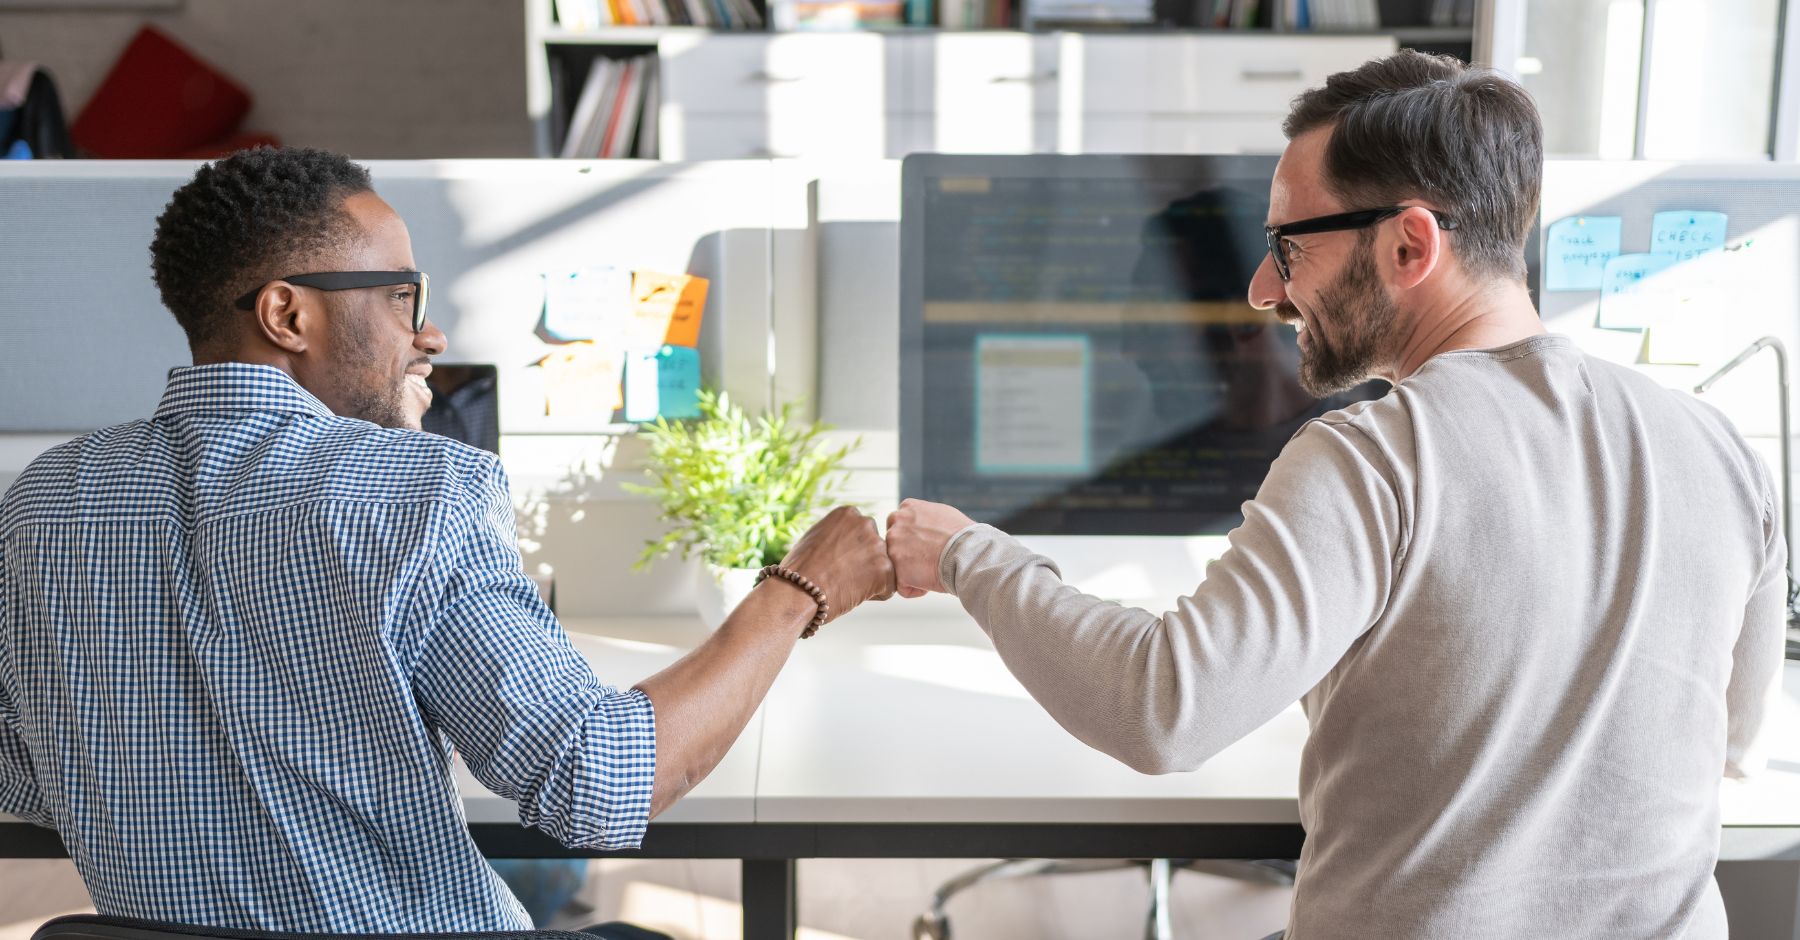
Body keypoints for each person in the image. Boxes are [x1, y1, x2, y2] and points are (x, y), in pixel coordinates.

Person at [885, 50, 1785, 939]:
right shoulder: (1723, 452)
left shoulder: (1375, 457)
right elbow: (1730, 742)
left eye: (1289, 245)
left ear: (1409, 245)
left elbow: (1163, 709)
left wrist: (966, 555)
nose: (1263, 290)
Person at [0, 146, 895, 933]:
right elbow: (601, 783)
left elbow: (23, 779)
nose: (428, 333)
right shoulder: (420, 487)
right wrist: (798, 590)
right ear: (287, 316)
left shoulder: (43, 501)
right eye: (401, 296)